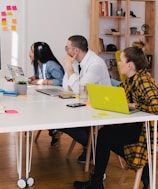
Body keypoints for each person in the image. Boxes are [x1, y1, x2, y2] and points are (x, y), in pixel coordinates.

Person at [73, 42, 158, 189]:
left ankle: (97, 182)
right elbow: (116, 93)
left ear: (130, 65)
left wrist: (134, 105)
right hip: (136, 127)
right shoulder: (131, 80)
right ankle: (98, 181)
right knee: (105, 135)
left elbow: (156, 105)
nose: (118, 63)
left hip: (145, 132)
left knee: (105, 136)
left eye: (121, 60)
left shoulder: (143, 81)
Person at [60, 35, 111, 163]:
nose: (66, 51)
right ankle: (89, 145)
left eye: (67, 48)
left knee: (65, 122)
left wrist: (70, 70)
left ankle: (93, 146)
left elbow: (79, 89)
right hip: (85, 103)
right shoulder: (77, 62)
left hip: (98, 107)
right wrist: (73, 78)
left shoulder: (95, 64)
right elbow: (65, 85)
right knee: (61, 121)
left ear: (75, 50)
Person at [28, 41, 65, 146]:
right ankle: (52, 130)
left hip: (55, 98)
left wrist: (42, 82)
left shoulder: (51, 65)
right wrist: (35, 78)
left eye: (31, 51)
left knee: (39, 108)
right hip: (45, 94)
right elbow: (41, 76)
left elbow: (61, 81)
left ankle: (54, 130)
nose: (29, 53)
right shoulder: (38, 64)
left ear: (38, 53)